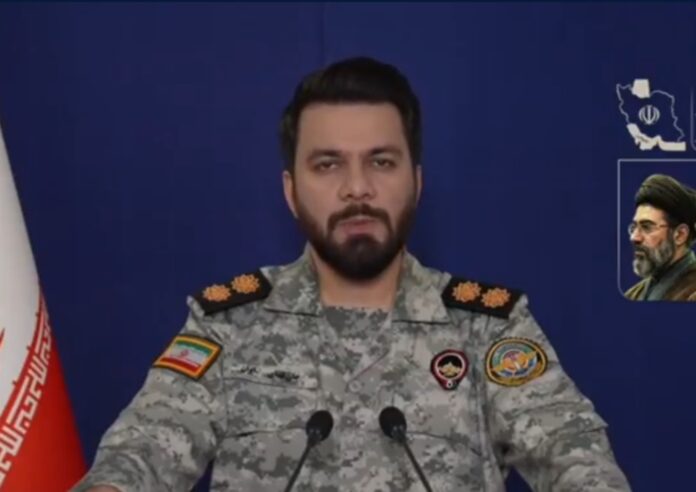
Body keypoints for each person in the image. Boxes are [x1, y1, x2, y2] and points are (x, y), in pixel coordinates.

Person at [74, 57, 631, 491]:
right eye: (328, 164)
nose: (357, 188)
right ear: (291, 191)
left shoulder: (487, 326)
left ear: (416, 182)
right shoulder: (229, 324)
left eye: (381, 162)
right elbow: (146, 447)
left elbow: (572, 451)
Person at [624, 173, 696, 301]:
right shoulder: (633, 295)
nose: (634, 237)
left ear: (680, 235)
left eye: (647, 227)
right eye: (634, 227)